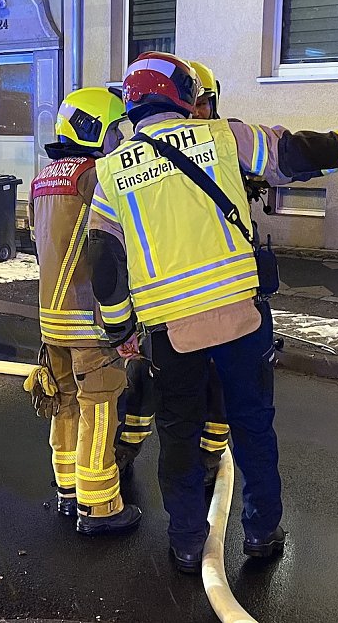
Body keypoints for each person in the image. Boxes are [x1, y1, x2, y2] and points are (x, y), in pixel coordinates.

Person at [88, 51, 338, 572]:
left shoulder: (109, 173)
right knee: (253, 427)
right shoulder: (223, 136)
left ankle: (187, 542)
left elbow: (103, 257)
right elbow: (306, 153)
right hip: (241, 314)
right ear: (182, 96)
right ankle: (262, 532)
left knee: (178, 432)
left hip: (172, 330)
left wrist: (119, 328)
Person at [25, 87, 141, 535]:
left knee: (63, 403)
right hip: (91, 319)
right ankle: (99, 506)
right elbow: (112, 244)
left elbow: (40, 245)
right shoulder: (96, 175)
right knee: (99, 406)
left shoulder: (43, 178)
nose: (120, 141)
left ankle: (67, 491)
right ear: (95, 130)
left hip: (50, 318)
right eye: (115, 131)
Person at [115, 60, 229, 486]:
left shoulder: (223, 146)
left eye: (206, 104)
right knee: (145, 380)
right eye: (194, 102)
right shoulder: (140, 159)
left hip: (216, 299)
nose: (198, 112)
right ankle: (127, 446)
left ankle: (209, 453)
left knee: (215, 385)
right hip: (162, 301)